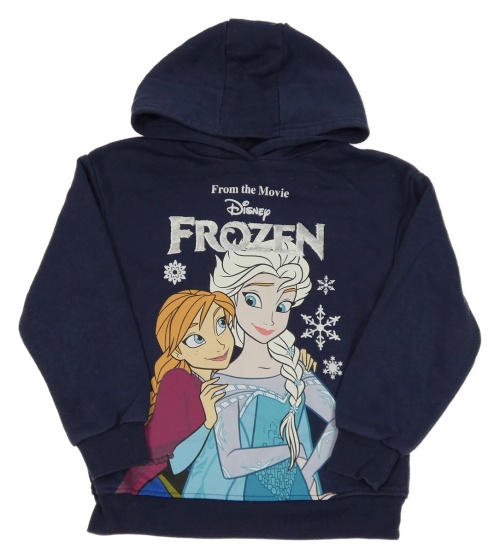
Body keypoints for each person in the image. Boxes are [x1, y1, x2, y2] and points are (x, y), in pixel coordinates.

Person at [182, 243, 338, 501]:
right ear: (231, 299)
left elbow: (338, 419)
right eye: (252, 300)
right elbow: (230, 464)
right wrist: (291, 451)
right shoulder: (223, 381)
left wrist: (309, 472)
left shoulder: (294, 370)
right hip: (229, 504)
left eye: (282, 307)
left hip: (297, 498)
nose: (269, 319)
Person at [116, 289, 234, 496]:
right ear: (177, 350)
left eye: (221, 324)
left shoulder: (222, 382)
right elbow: (175, 462)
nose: (218, 344)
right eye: (197, 338)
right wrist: (208, 422)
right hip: (161, 491)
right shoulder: (177, 381)